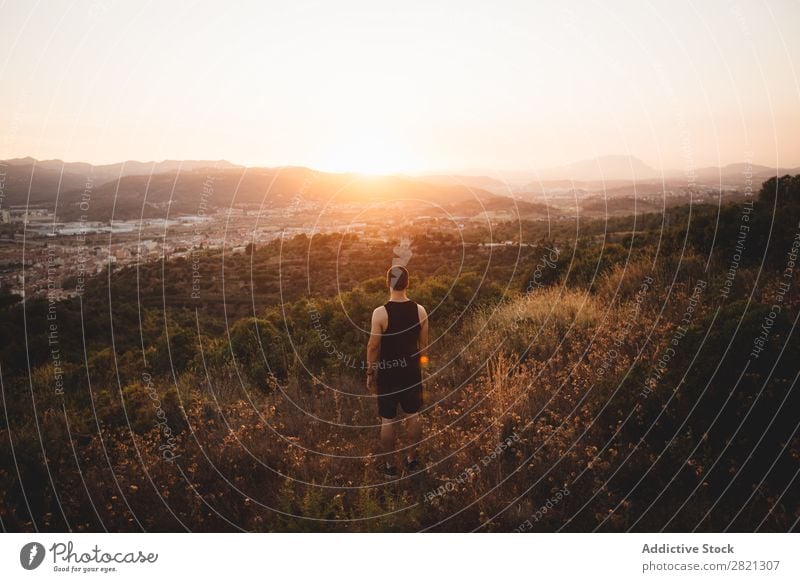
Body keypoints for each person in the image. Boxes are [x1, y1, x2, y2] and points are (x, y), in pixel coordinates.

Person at [366, 265, 429, 478]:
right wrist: (420, 367)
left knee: (388, 419)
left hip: (388, 373)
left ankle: (390, 466)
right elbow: (424, 345)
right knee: (414, 414)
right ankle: (412, 460)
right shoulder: (420, 311)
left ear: (388, 283)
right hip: (411, 371)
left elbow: (373, 347)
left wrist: (370, 373)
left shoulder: (380, 313)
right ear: (407, 283)